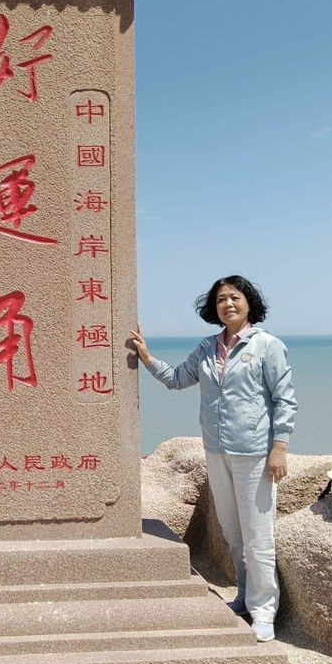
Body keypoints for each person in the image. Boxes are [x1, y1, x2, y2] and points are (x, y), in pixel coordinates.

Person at [131, 275, 297, 642]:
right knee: (233, 533)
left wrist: (280, 447)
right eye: (221, 299)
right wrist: (147, 358)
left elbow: (285, 400)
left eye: (235, 297)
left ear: (249, 302)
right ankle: (245, 596)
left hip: (254, 453)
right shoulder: (207, 348)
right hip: (217, 451)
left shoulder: (267, 345)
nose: (228, 304)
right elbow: (177, 379)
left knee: (258, 535)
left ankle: (264, 610)